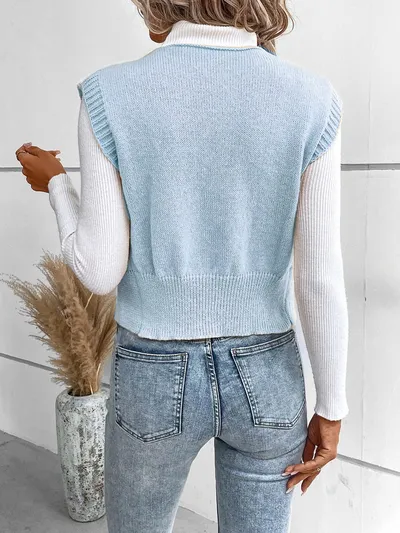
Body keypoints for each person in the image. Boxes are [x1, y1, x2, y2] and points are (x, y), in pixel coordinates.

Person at [15, 1, 349, 531]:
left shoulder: (109, 94)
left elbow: (99, 270)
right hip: (267, 372)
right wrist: (331, 406)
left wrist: (58, 184)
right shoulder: (313, 99)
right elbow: (319, 278)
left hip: (153, 368)